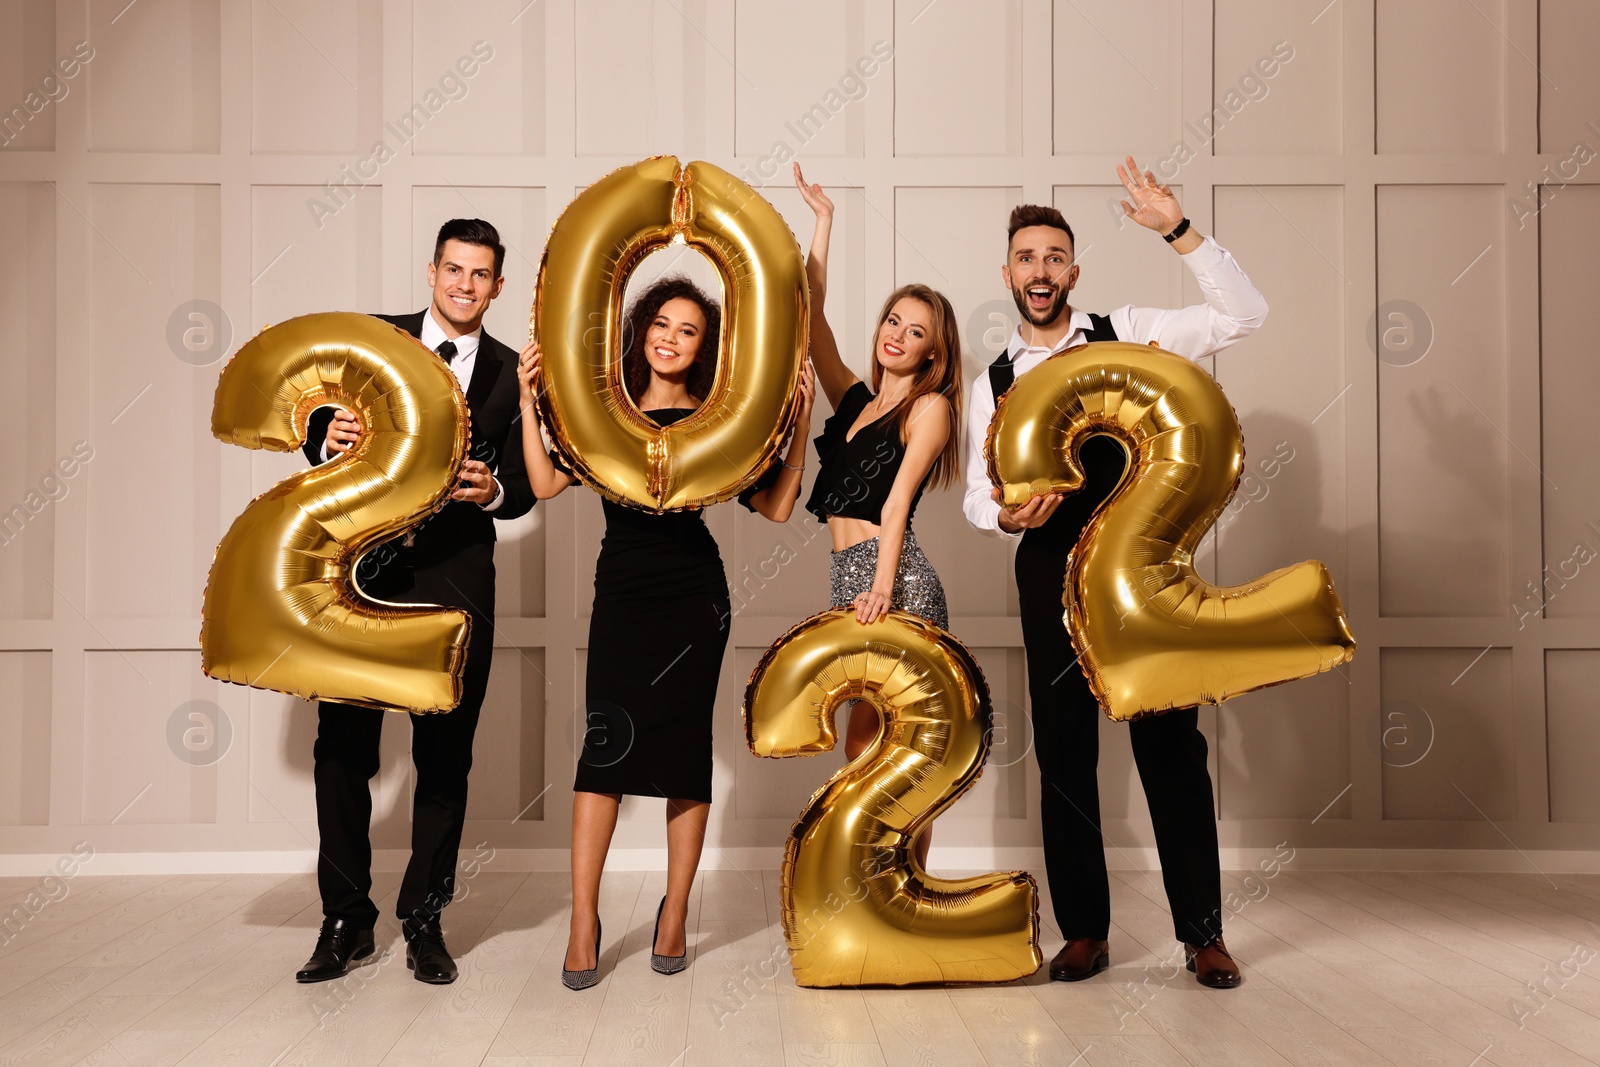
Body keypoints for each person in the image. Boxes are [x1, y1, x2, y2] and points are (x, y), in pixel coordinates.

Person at [963, 157, 1268, 989]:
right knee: (1063, 754)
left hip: (1141, 575)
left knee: (1169, 744)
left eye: (1055, 256)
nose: (1041, 271)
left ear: (1074, 269)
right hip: (1048, 577)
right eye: (1027, 258)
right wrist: (1004, 516)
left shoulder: (1125, 328)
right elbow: (970, 499)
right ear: (1007, 273)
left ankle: (1202, 935)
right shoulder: (991, 382)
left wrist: (1178, 228)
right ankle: (1085, 932)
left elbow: (1244, 316)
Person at [517, 275, 814, 990]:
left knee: (684, 755)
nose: (671, 338)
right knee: (605, 748)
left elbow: (774, 509)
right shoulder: (603, 408)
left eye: (688, 330)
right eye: (662, 322)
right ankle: (584, 920)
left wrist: (798, 420)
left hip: (694, 596)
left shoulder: (718, 419)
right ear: (642, 327)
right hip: (622, 589)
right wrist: (533, 400)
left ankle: (675, 911)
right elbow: (546, 484)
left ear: (703, 347)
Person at [294, 218, 536, 986]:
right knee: (340, 752)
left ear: (498, 286)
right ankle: (344, 921)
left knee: (444, 760)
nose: (465, 285)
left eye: (480, 275)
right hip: (361, 579)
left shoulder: (509, 371)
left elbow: (530, 480)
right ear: (431, 271)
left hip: (457, 583)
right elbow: (314, 413)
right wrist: (323, 430)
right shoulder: (374, 337)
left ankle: (425, 921)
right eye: (454, 270)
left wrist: (495, 488)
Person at [771, 163, 963, 870]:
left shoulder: (931, 407)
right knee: (863, 748)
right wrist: (824, 225)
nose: (896, 335)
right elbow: (806, 316)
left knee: (892, 751)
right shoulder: (856, 401)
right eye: (892, 320)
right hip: (849, 575)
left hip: (896, 578)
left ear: (933, 351)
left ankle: (901, 882)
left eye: (914, 331)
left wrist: (882, 584)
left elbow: (898, 500)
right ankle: (871, 888)